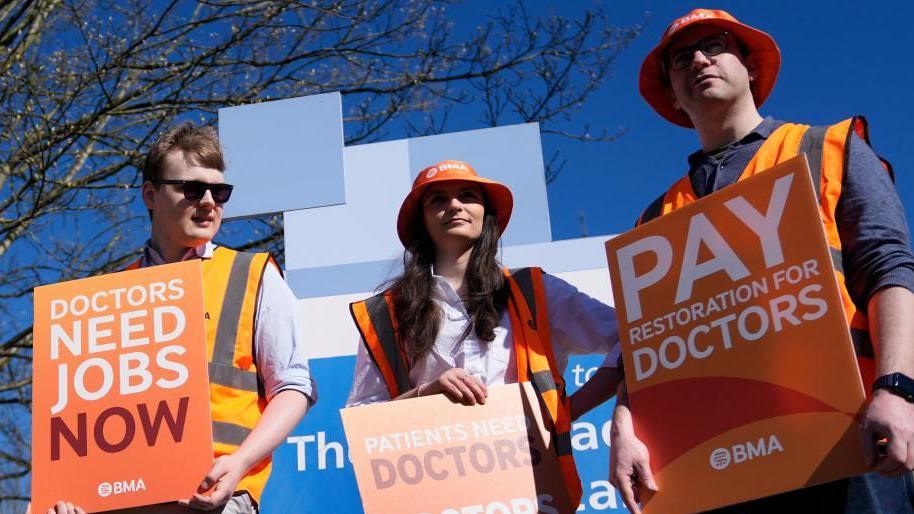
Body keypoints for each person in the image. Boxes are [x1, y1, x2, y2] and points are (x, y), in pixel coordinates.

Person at [609, 8, 914, 514]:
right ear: (672, 95)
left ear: (750, 67)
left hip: (847, 440)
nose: (699, 61)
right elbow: (642, 351)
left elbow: (890, 269)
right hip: (716, 466)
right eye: (681, 59)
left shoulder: (827, 149)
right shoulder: (655, 217)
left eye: (716, 46)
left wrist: (898, 388)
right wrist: (624, 427)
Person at [345, 159, 621, 508]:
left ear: (485, 213)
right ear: (422, 221)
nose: (454, 205)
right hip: (434, 494)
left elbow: (628, 338)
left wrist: (564, 413)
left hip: (534, 489)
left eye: (467, 195)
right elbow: (362, 422)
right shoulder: (387, 313)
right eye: (438, 200)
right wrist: (426, 393)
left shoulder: (536, 291)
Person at [112, 122, 315, 513]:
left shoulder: (252, 274)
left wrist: (238, 464)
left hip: (216, 497)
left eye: (219, 192)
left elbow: (292, 385)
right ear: (150, 195)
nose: (208, 201)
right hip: (125, 500)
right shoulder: (106, 293)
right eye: (192, 189)